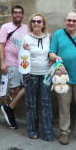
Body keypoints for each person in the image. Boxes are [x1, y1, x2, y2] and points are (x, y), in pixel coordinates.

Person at [49, 12, 76, 145]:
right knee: (64, 105)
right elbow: (51, 52)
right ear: (64, 21)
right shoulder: (57, 34)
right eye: (69, 20)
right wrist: (56, 57)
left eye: (74, 21)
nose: (71, 23)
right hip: (63, 76)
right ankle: (64, 132)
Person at [22, 13, 53, 141]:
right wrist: (24, 50)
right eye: (33, 21)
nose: (36, 23)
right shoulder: (26, 38)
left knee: (46, 103)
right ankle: (32, 130)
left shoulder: (49, 37)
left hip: (46, 73)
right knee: (31, 103)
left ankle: (47, 133)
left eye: (39, 21)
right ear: (31, 24)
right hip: (31, 74)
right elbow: (22, 58)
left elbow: (52, 53)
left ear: (43, 24)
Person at [0, 6, 29, 129]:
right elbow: (1, 45)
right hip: (11, 63)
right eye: (15, 13)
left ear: (22, 15)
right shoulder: (5, 27)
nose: (17, 15)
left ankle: (8, 110)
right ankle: (11, 117)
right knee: (15, 90)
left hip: (25, 63)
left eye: (20, 13)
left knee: (28, 88)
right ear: (12, 15)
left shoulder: (27, 28)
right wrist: (2, 62)